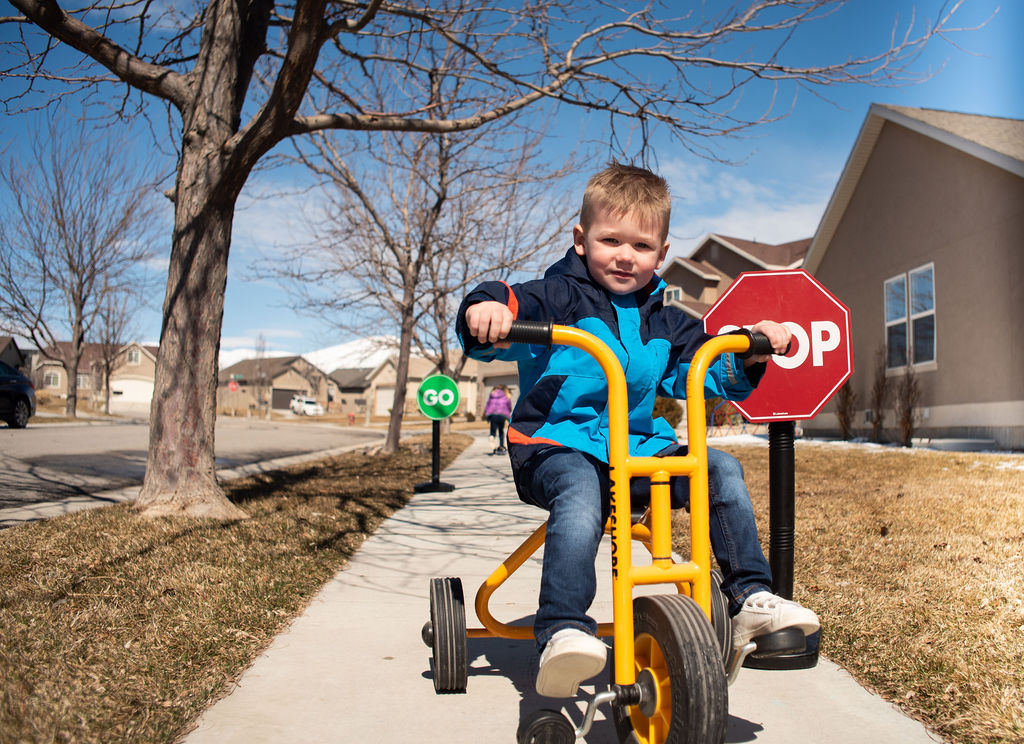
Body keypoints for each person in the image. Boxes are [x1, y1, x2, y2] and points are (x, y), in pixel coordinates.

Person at [456, 162, 819, 699]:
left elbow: (708, 370)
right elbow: (507, 304)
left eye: (642, 246)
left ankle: (748, 600)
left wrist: (752, 345)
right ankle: (562, 628)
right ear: (581, 240)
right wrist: (483, 310)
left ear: (662, 253)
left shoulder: (667, 321)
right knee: (581, 495)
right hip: (556, 448)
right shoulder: (556, 297)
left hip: (637, 454)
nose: (625, 255)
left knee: (720, 468)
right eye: (610, 240)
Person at [484, 386, 512, 454]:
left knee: (493, 430)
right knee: (501, 431)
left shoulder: (492, 396)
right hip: (502, 415)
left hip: (493, 415)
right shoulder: (505, 396)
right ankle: (501, 445)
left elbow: (487, 406)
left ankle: (492, 436)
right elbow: (509, 407)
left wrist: (487, 415)